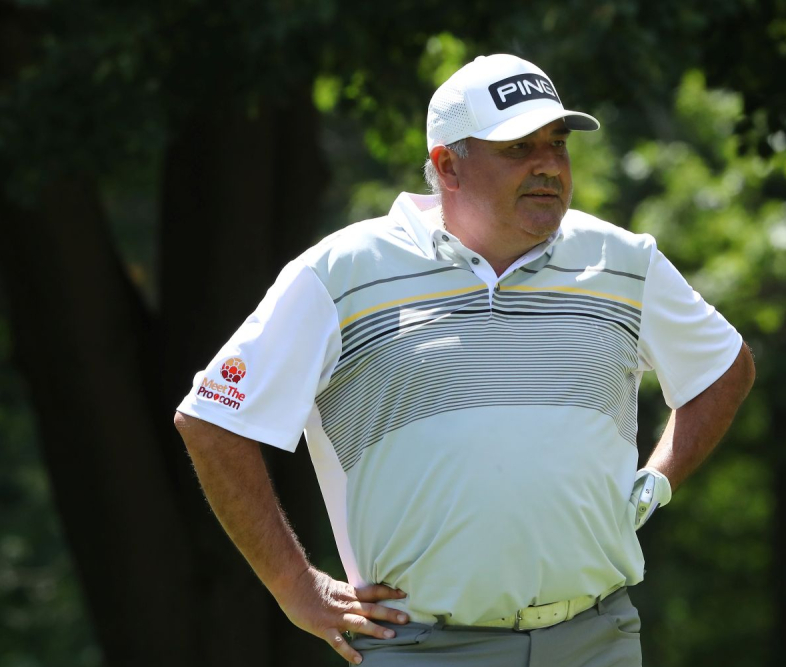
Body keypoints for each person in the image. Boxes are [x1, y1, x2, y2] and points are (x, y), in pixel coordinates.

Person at [174, 53, 755, 666]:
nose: (548, 167)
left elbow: (724, 367)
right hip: (424, 647)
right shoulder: (341, 272)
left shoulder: (621, 261)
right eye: (517, 148)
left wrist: (655, 483)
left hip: (596, 639)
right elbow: (212, 422)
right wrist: (296, 586)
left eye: (557, 145)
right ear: (448, 165)